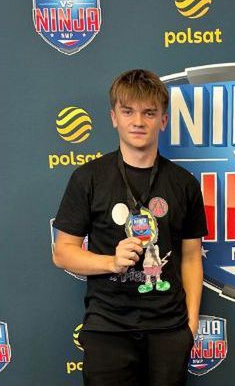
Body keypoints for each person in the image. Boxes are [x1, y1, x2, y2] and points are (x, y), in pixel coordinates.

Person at [52, 69, 208, 386]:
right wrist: (111, 261)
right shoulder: (88, 178)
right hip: (108, 329)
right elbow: (62, 253)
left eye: (149, 113)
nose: (138, 121)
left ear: (163, 120)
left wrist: (189, 325)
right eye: (128, 112)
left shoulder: (184, 184)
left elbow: (192, 257)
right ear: (114, 117)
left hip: (168, 330)